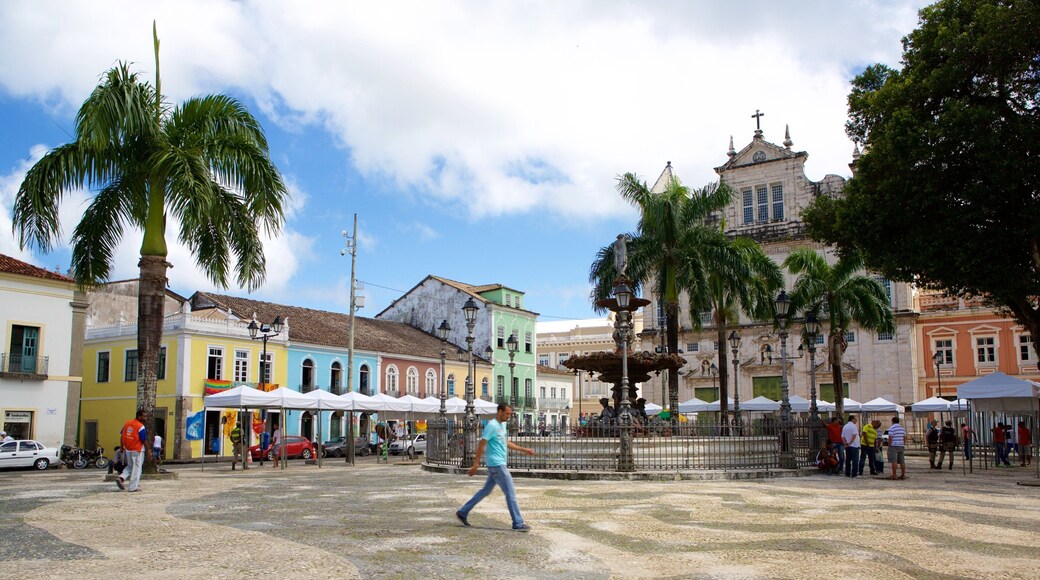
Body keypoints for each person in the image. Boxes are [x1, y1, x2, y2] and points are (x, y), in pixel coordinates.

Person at [456, 403, 536, 532]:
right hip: (497, 465)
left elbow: (505, 442)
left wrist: (523, 449)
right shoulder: (492, 426)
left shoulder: (502, 425)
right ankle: (518, 522)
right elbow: (481, 445)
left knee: (485, 491)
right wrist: (476, 464)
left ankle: (463, 512)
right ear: (500, 412)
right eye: (507, 413)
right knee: (510, 493)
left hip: (496, 465)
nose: (509, 416)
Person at [116, 409, 147, 492]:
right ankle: (133, 487)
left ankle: (121, 477)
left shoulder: (127, 424)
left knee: (130, 466)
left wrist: (122, 447)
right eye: (144, 416)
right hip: (137, 449)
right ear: (139, 416)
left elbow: (122, 436)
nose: (145, 418)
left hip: (128, 449)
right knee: (137, 468)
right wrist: (149, 450)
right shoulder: (140, 426)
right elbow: (143, 439)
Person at [887, 416, 908, 480]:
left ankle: (894, 474)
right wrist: (903, 444)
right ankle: (903, 474)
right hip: (901, 445)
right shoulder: (902, 428)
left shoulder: (891, 428)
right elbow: (905, 437)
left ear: (892, 421)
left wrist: (889, 446)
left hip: (894, 445)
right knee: (902, 461)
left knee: (894, 461)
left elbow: (890, 438)